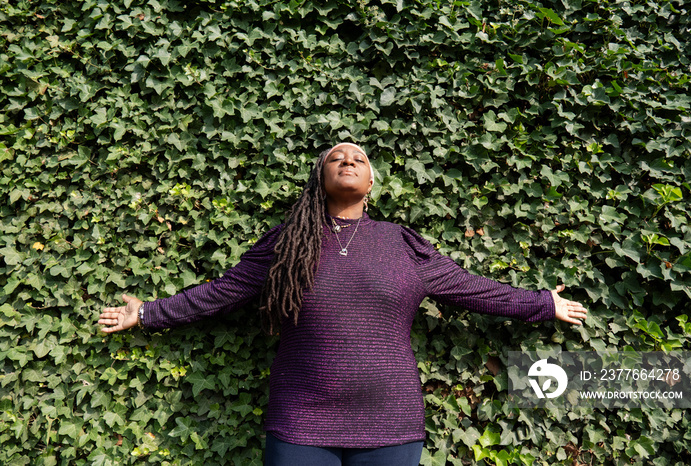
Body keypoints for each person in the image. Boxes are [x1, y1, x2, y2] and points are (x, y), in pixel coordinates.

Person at [98, 142, 588, 466]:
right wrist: (147, 312)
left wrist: (541, 303)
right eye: (336, 157)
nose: (347, 160)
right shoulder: (287, 243)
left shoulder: (401, 243)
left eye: (358, 157)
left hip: (390, 421)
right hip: (300, 421)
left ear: (372, 182)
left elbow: (469, 288)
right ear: (321, 177)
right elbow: (222, 291)